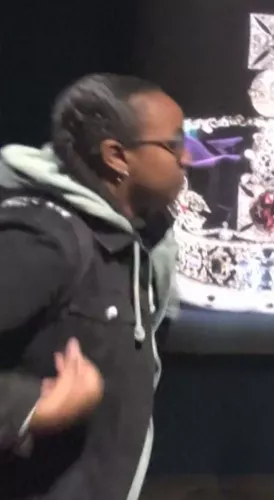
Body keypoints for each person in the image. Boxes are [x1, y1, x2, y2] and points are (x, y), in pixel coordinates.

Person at [0, 74, 186, 499]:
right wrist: (29, 407)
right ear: (117, 156)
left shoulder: (127, 244)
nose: (187, 158)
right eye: (173, 145)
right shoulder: (43, 240)